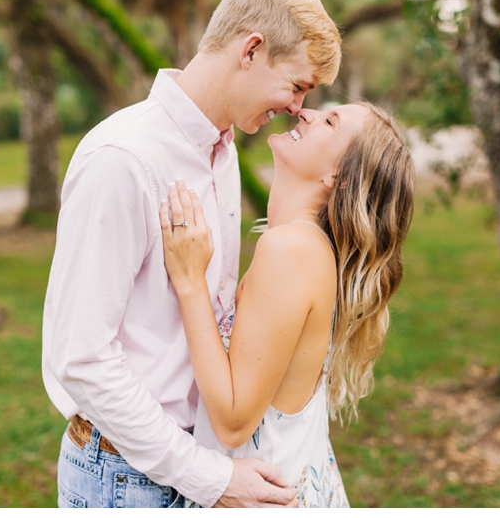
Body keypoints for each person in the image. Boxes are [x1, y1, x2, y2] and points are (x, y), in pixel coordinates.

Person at [41, 0, 341, 508]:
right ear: (250, 50)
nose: (297, 109)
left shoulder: (220, 153)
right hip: (125, 478)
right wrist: (209, 477)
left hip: (194, 466)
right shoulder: (124, 160)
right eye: (297, 87)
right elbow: (81, 357)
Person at [159, 102, 415, 507]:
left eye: (330, 122)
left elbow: (233, 421)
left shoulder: (290, 251)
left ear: (339, 178)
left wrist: (190, 281)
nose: (308, 113)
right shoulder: (306, 247)